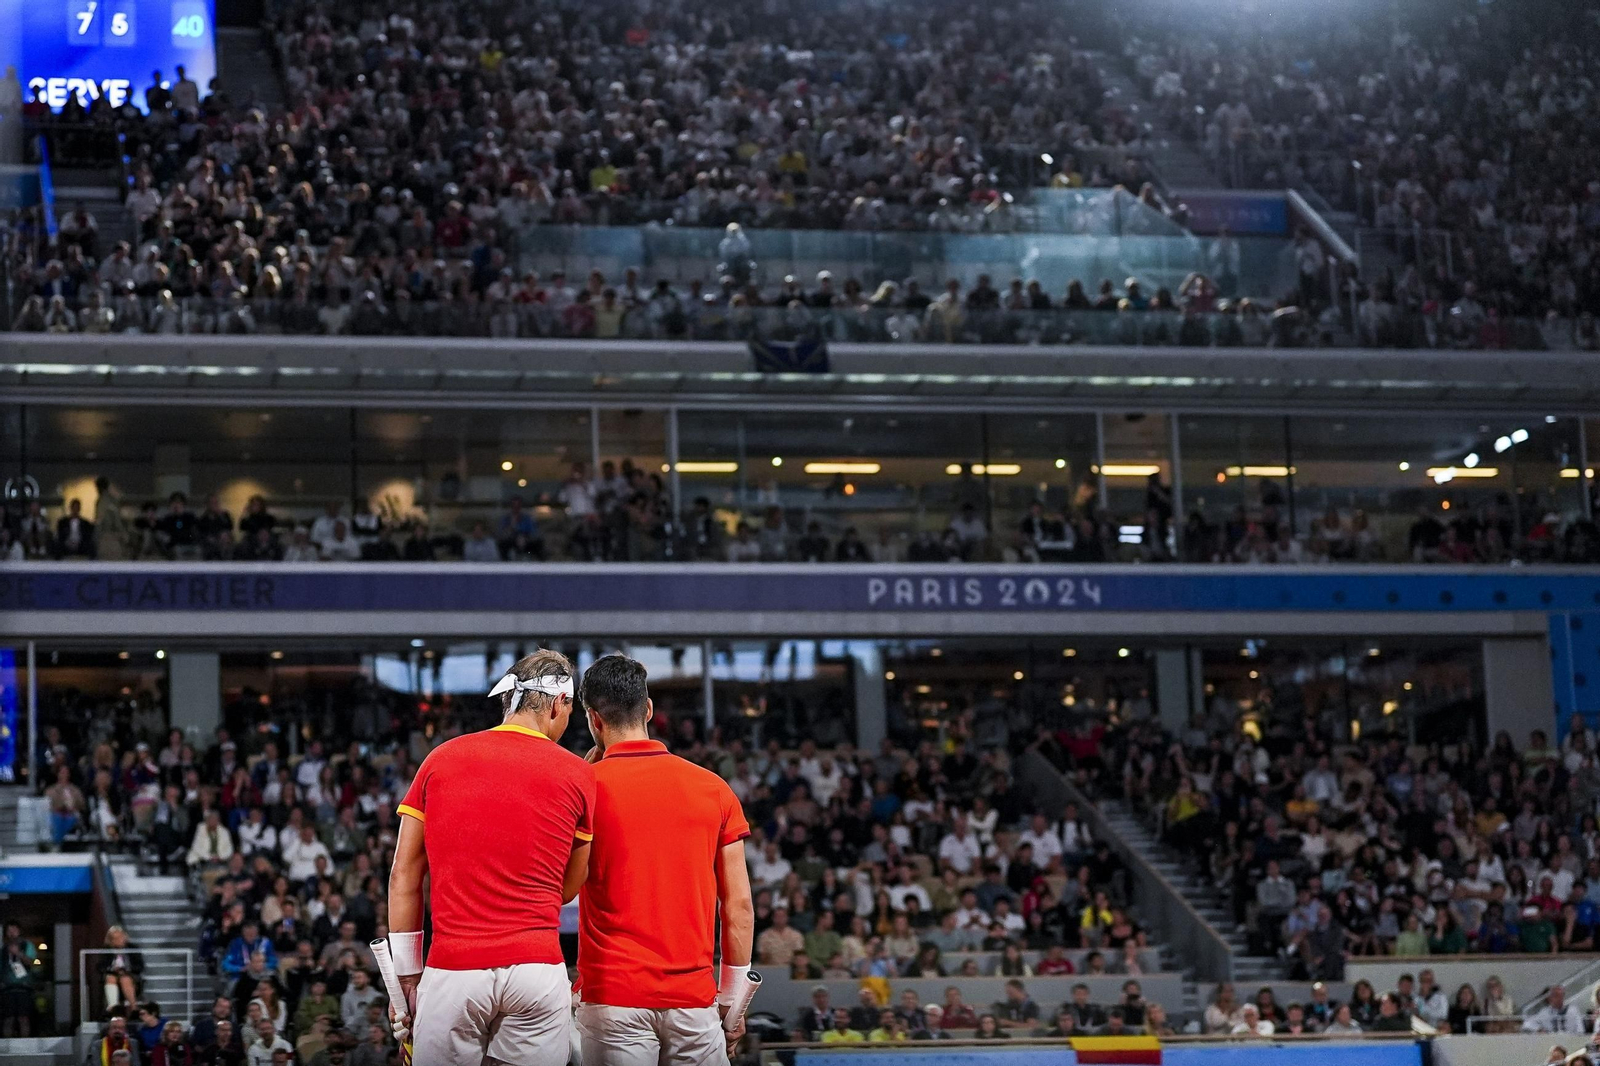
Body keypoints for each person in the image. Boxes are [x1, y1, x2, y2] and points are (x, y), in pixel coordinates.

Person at [387, 649, 596, 1065]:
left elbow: (403, 876)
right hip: (536, 966)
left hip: (453, 971)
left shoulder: (439, 759)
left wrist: (408, 976)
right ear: (558, 704)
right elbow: (569, 889)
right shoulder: (579, 773)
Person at [574, 653, 757, 1064]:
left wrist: (582, 781)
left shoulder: (584, 788)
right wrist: (732, 999)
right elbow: (740, 906)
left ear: (593, 719)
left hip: (613, 997)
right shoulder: (713, 789)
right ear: (650, 709)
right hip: (694, 1001)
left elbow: (560, 886)